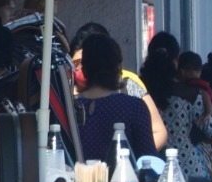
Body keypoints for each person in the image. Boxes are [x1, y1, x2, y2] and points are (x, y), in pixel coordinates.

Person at [142, 31, 212, 182]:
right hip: (189, 171)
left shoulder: (138, 90)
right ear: (176, 61)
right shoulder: (191, 94)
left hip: (150, 172)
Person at [70, 22, 167, 150]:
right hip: (123, 169)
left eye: (81, 63)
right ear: (116, 65)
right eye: (75, 63)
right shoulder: (134, 107)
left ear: (86, 67)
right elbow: (146, 155)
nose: (79, 68)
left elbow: (159, 132)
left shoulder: (69, 106)